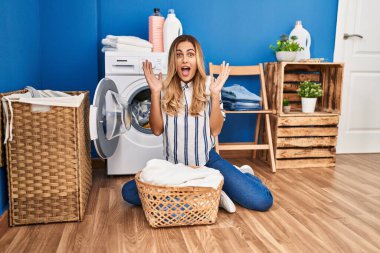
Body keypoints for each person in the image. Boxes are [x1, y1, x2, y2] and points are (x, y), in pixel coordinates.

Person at [122, 35, 273, 212]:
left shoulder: (210, 85)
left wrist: (215, 95)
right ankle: (214, 196)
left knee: (262, 200)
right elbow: (156, 130)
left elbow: (215, 130)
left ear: (197, 59)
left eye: (190, 54)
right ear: (174, 61)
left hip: (207, 163)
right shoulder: (162, 88)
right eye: (179, 55)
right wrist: (155, 93)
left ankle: (236, 177)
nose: (184, 59)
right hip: (174, 169)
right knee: (129, 192)